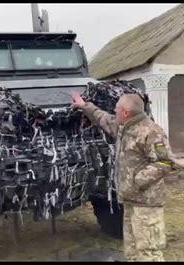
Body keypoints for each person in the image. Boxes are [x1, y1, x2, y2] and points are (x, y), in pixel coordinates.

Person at [71, 91, 173, 261]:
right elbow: (103, 118)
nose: (114, 111)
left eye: (117, 108)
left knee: (148, 251)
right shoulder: (123, 127)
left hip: (146, 203)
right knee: (132, 247)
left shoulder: (151, 132)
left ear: (125, 112)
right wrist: (84, 106)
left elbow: (165, 162)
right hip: (130, 199)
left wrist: (137, 180)